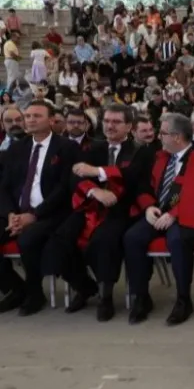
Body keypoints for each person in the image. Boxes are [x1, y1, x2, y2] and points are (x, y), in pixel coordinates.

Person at [42, 104, 153, 322]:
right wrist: (94, 191)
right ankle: (84, 286)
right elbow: (76, 176)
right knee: (58, 241)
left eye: (116, 122)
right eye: (107, 121)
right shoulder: (93, 148)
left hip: (123, 210)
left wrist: (97, 172)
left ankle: (106, 296)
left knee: (103, 241)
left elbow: (132, 176)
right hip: (90, 206)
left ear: (129, 126)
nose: (110, 126)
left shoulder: (141, 150)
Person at [123, 113, 194, 326]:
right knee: (132, 237)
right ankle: (141, 296)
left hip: (190, 217)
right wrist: (148, 207)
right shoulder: (159, 158)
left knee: (177, 239)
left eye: (163, 133)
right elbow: (144, 186)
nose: (159, 136)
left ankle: (183, 299)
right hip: (159, 213)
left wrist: (174, 215)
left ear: (176, 137)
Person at [0, 100, 79, 315]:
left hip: (51, 212)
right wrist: (10, 215)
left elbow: (64, 189)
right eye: (28, 116)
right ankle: (15, 288)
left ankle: (35, 294)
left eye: (37, 116)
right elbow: (4, 186)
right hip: (16, 211)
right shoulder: (17, 148)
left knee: (28, 239)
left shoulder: (66, 147)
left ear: (51, 120)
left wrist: (34, 216)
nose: (31, 120)